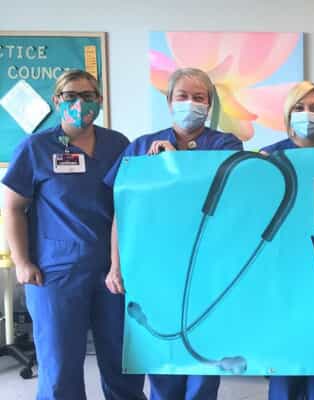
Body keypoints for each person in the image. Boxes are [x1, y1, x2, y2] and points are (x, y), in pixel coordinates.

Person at [2, 69, 146, 399]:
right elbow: (12, 208)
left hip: (114, 270)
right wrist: (22, 261)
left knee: (122, 360)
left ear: (100, 101)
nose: (80, 103)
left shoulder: (117, 144)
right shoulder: (36, 147)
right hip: (55, 273)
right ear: (57, 101)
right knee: (60, 365)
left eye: (88, 96)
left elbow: (129, 204)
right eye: (71, 96)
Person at [103, 67, 243, 400]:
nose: (190, 103)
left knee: (204, 364)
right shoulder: (141, 148)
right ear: (168, 101)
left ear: (209, 105)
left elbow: (228, 193)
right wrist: (115, 265)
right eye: (182, 96)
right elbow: (122, 212)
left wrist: (175, 161)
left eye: (199, 98)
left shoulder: (225, 144)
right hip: (156, 270)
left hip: (208, 270)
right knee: (162, 362)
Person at [261, 81, 314, 400]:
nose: (307, 114)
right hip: (283, 271)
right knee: (283, 361)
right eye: (300, 108)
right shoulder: (269, 156)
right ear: (288, 114)